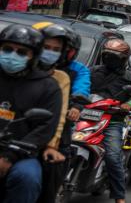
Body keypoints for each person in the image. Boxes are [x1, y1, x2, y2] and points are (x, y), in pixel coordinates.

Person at [0, 25, 62, 203]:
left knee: (27, 178)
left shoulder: (47, 86)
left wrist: (9, 157)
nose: (12, 55)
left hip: (20, 153)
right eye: (7, 49)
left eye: (21, 52)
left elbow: (45, 128)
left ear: (32, 56)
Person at [90, 39, 131, 203]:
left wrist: (128, 106)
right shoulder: (92, 71)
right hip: (85, 116)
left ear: (123, 59)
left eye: (114, 57)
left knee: (113, 157)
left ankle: (119, 197)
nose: (109, 59)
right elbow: (80, 86)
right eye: (107, 56)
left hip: (112, 121)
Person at [32, 22, 72, 203]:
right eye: (45, 47)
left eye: (55, 49)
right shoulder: (13, 69)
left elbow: (58, 116)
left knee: (48, 172)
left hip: (37, 140)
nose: (50, 52)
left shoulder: (60, 77)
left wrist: (50, 146)